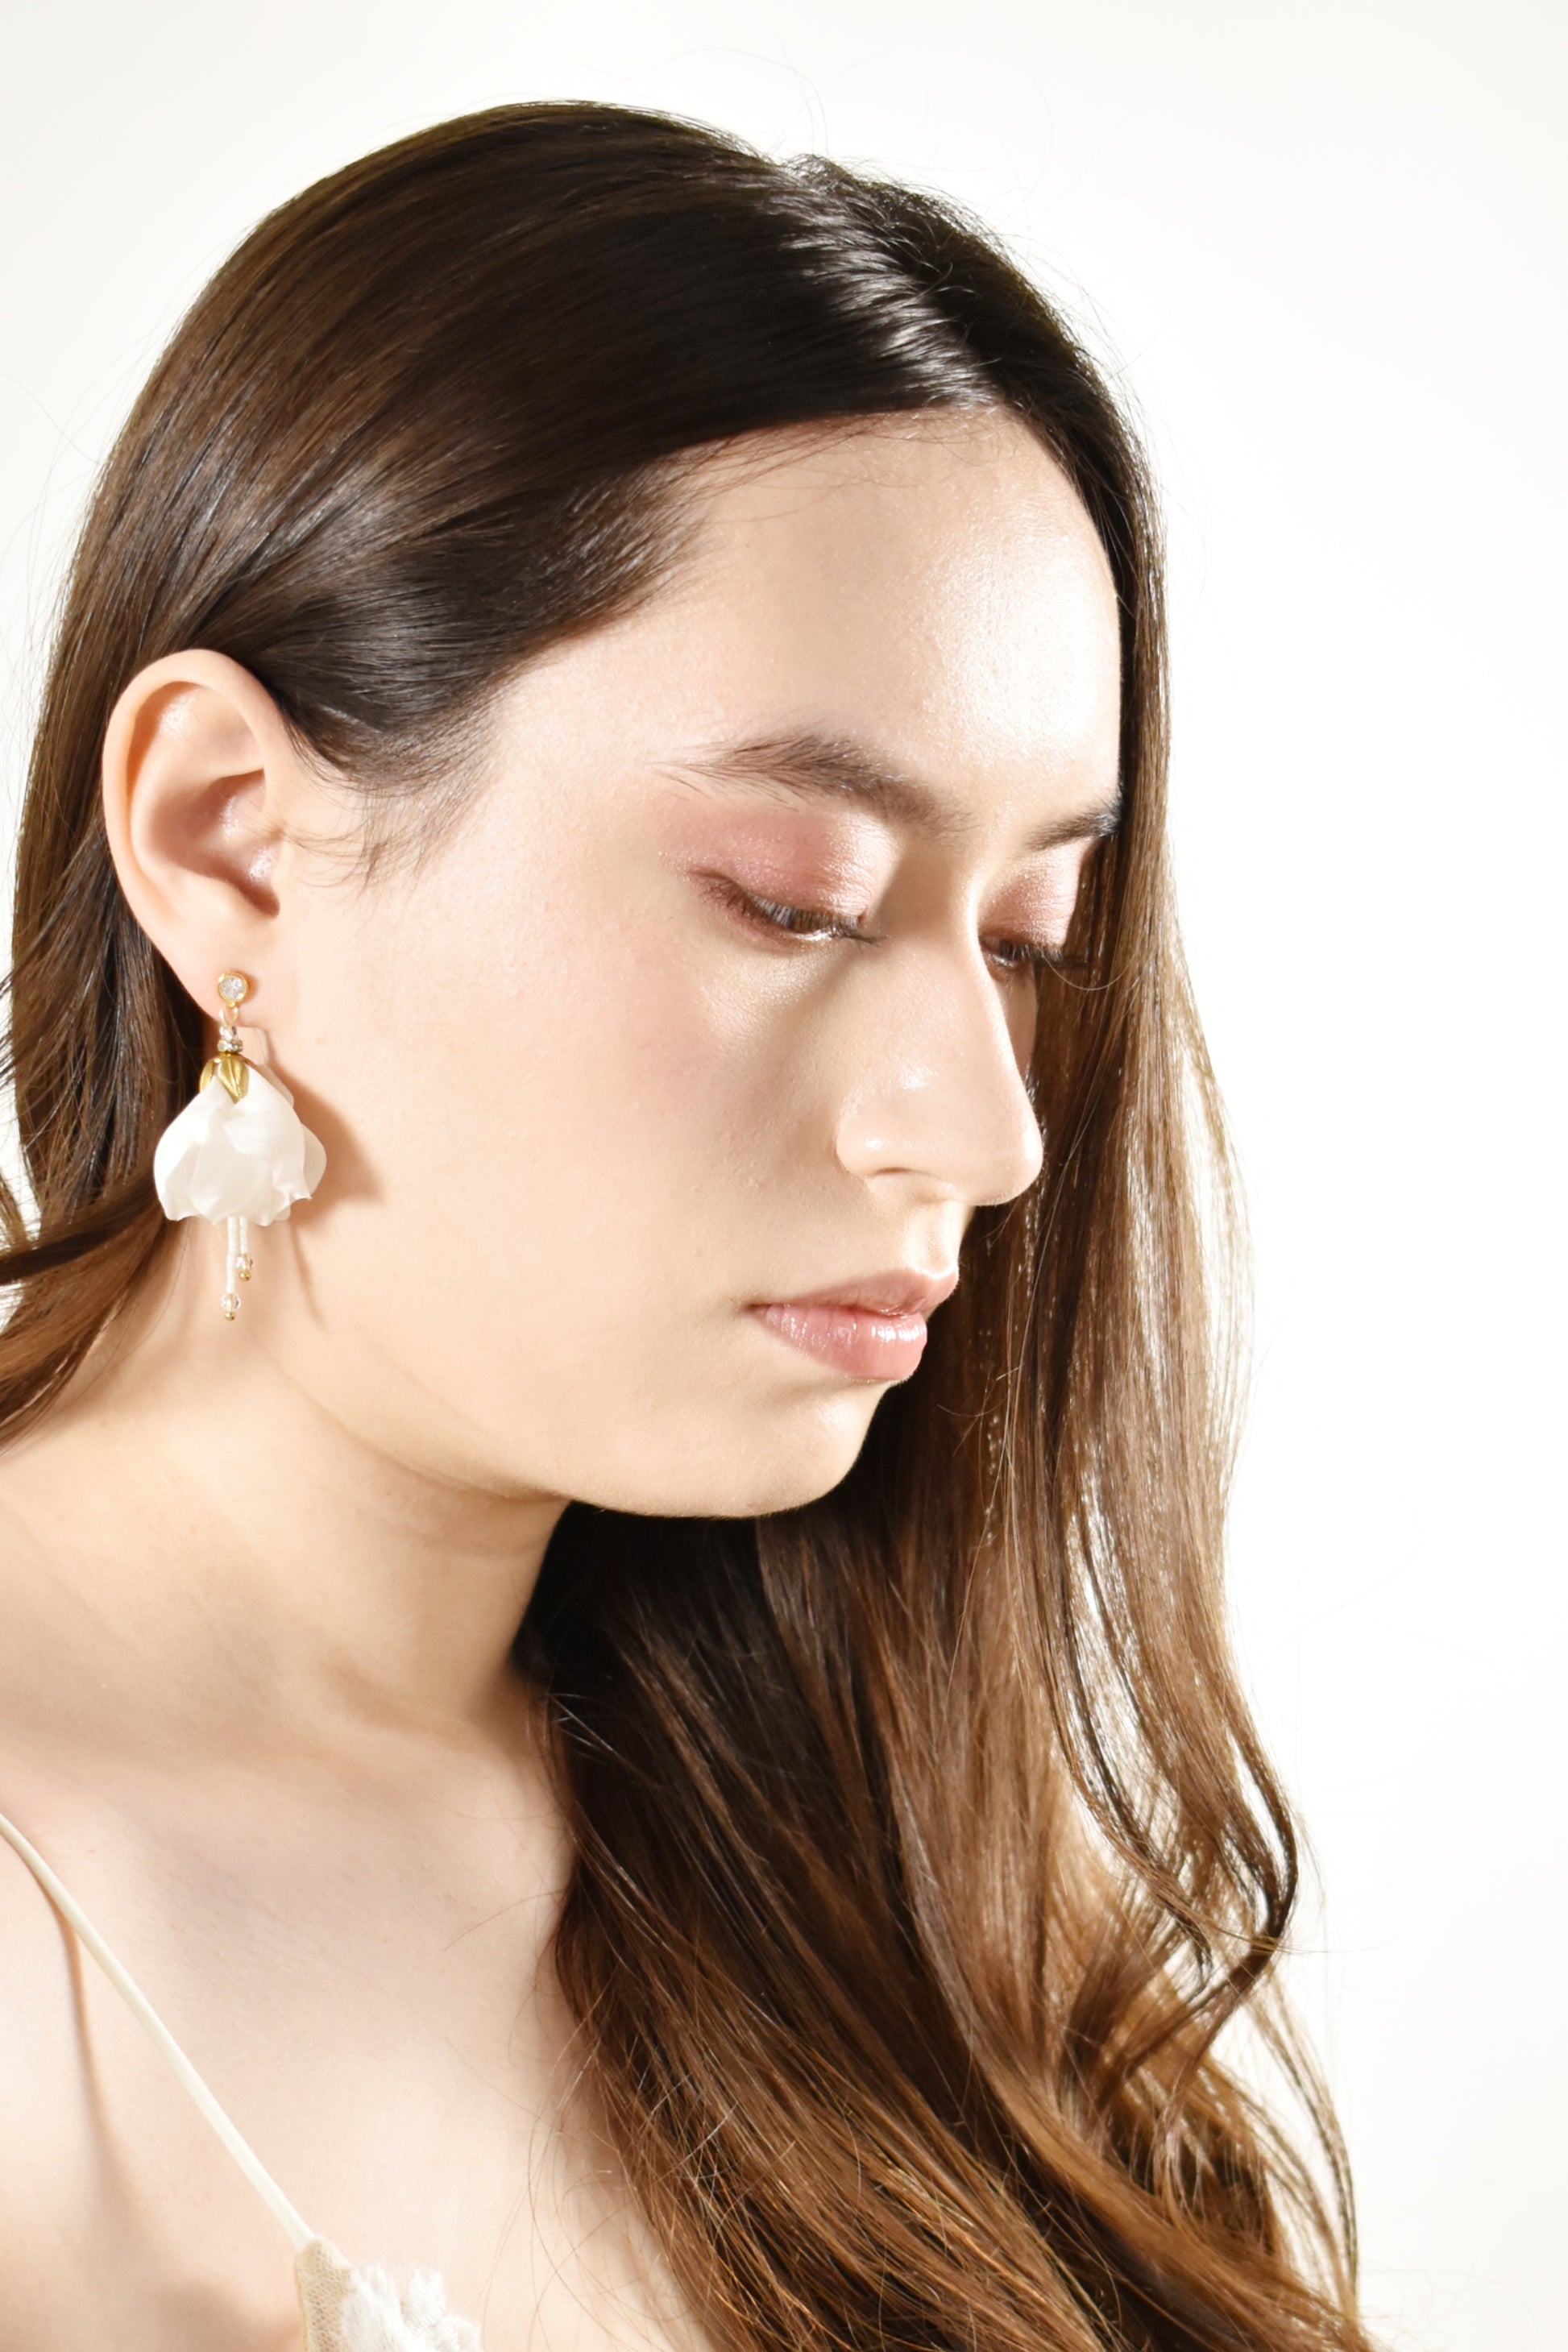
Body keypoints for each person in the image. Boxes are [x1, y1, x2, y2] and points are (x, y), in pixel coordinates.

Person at [0, 102, 1374, 2352]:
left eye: (1026, 935)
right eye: (792, 903)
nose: (989, 1133)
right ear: (235, 843)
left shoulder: (890, 1874)